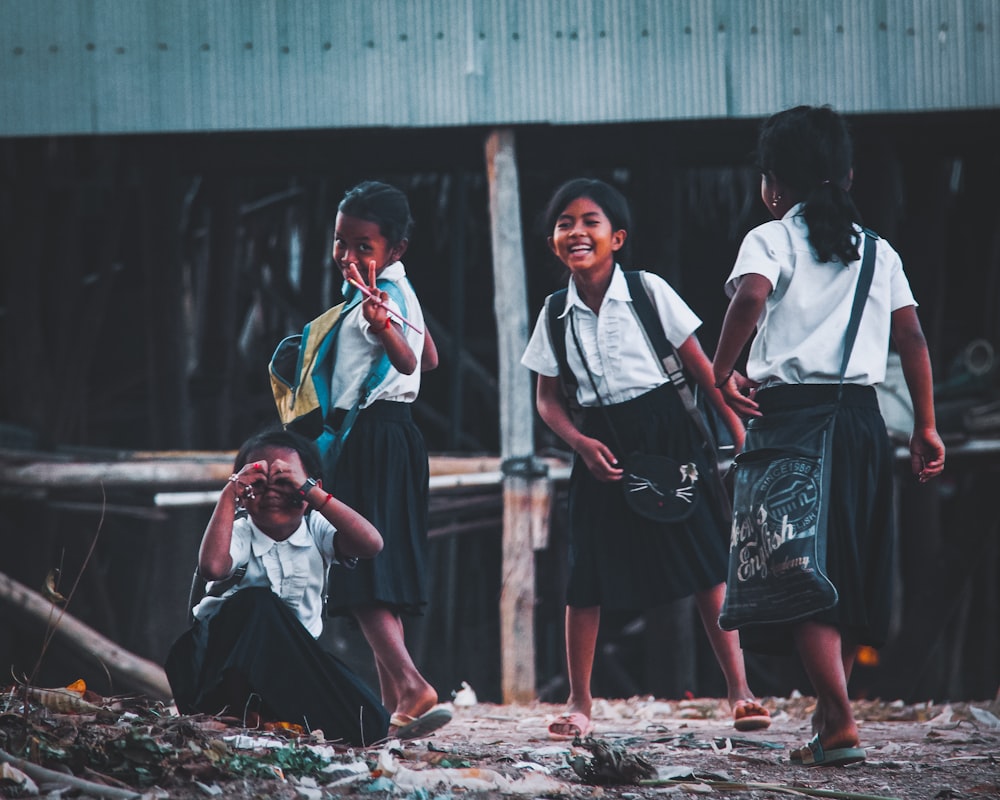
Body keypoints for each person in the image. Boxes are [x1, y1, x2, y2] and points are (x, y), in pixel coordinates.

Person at [711, 105, 945, 767]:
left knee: (798, 571)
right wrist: (925, 426)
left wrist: (723, 367)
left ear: (772, 184)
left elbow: (750, 297)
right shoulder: (880, 250)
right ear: (844, 174)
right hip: (864, 423)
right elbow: (914, 340)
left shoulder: (771, 238)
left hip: (793, 421)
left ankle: (839, 717)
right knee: (839, 570)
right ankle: (827, 720)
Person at [520, 177, 770, 740]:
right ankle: (580, 703)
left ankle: (741, 691)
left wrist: (736, 434)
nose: (577, 232)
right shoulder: (555, 312)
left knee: (708, 567)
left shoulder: (647, 290)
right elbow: (546, 398)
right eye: (565, 223)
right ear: (553, 240)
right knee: (585, 579)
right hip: (601, 443)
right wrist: (579, 444)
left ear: (618, 237)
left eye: (590, 222)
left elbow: (706, 370)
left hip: (669, 437)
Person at [320, 180, 450, 740]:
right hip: (392, 439)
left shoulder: (384, 297)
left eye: (363, 246)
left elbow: (407, 359)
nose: (348, 256)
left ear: (395, 249)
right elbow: (432, 356)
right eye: (340, 242)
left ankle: (413, 685)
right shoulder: (392, 288)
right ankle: (393, 705)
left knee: (360, 571)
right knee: (380, 570)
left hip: (371, 439)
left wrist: (383, 328)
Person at [164, 428, 389, 746]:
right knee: (258, 603)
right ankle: (235, 714)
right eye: (259, 484)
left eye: (285, 484)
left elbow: (371, 544)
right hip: (216, 671)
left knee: (372, 721)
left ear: (312, 488)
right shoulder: (240, 532)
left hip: (285, 669)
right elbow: (212, 566)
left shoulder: (316, 529)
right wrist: (230, 493)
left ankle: (266, 717)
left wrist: (310, 491)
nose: (272, 492)